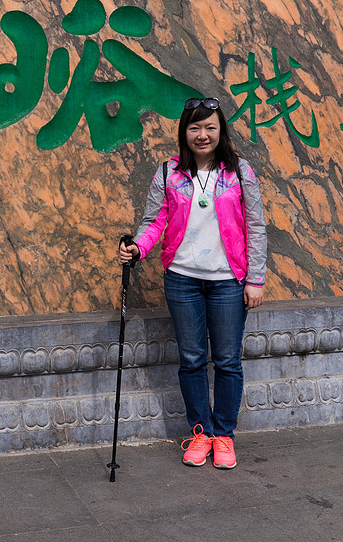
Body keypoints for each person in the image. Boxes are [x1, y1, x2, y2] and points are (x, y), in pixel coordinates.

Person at [119, 97, 267, 470]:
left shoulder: (240, 172)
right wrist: (138, 249)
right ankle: (200, 432)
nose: (202, 135)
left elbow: (255, 227)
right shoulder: (168, 172)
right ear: (184, 131)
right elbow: (154, 222)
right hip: (182, 279)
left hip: (228, 281)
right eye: (195, 127)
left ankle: (225, 436)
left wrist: (256, 279)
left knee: (228, 360)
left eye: (210, 127)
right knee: (192, 359)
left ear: (221, 131)